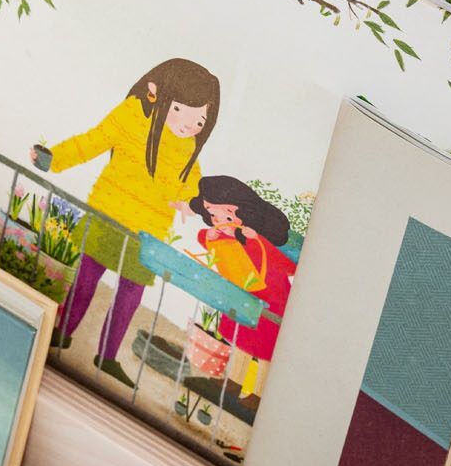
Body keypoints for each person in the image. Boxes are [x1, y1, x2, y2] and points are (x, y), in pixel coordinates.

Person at [32, 58, 220, 385]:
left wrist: (193, 203)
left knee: (130, 295)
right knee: (86, 278)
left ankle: (107, 356)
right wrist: (54, 159)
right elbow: (92, 141)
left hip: (147, 235)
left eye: (199, 121)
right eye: (180, 110)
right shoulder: (132, 115)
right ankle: (63, 332)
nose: (188, 126)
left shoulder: (188, 149)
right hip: (108, 215)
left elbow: (192, 185)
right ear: (156, 92)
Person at [189, 175, 295, 398]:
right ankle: (232, 385)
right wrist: (208, 235)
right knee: (241, 342)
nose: (219, 221)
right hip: (243, 297)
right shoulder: (225, 237)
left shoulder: (255, 239)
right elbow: (208, 242)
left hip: (272, 301)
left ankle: (257, 395)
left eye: (227, 215)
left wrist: (256, 240)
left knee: (264, 351)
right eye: (212, 214)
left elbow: (287, 267)